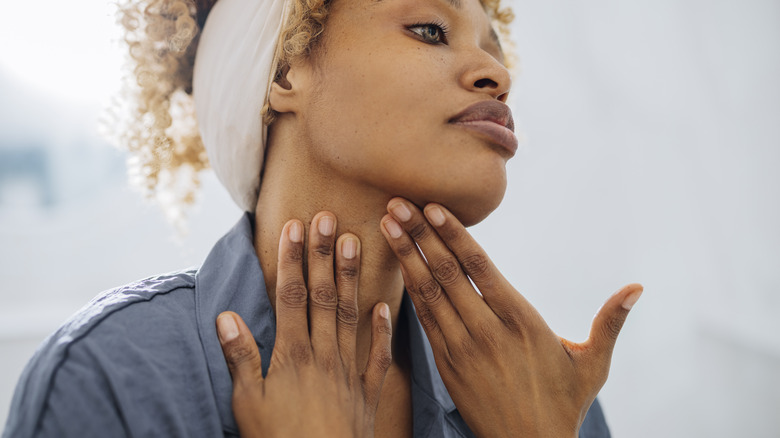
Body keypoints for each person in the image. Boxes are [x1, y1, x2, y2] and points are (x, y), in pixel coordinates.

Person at [2, 0, 643, 436]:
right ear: (286, 68)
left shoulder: (550, 401)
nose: (497, 74)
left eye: (494, 48)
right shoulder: (112, 375)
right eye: (430, 29)